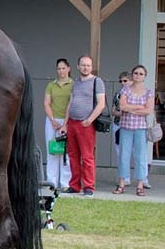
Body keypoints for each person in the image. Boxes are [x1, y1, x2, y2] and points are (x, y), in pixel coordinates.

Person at [64, 54, 106, 196]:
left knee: (87, 157)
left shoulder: (97, 82)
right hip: (72, 123)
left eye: (88, 65)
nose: (85, 67)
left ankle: (88, 186)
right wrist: (65, 123)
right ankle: (74, 185)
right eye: (83, 65)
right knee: (73, 156)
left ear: (91, 67)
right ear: (78, 67)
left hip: (86, 124)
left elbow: (101, 104)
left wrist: (89, 120)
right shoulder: (75, 82)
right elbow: (70, 103)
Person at [115, 65, 153, 196]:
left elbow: (148, 110)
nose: (138, 75)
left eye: (141, 74)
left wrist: (130, 108)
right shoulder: (125, 90)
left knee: (140, 157)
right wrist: (138, 107)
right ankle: (121, 184)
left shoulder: (148, 92)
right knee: (123, 156)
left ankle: (140, 185)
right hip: (125, 127)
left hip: (140, 129)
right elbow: (122, 106)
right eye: (136, 73)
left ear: (144, 76)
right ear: (132, 75)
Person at [42, 58, 73, 190]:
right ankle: (52, 182)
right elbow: (47, 103)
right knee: (53, 150)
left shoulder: (73, 84)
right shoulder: (51, 85)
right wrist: (52, 120)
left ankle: (65, 183)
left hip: (68, 120)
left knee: (66, 152)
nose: (61, 71)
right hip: (52, 121)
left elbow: (71, 105)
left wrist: (65, 123)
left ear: (69, 69)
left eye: (63, 68)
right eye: (59, 68)